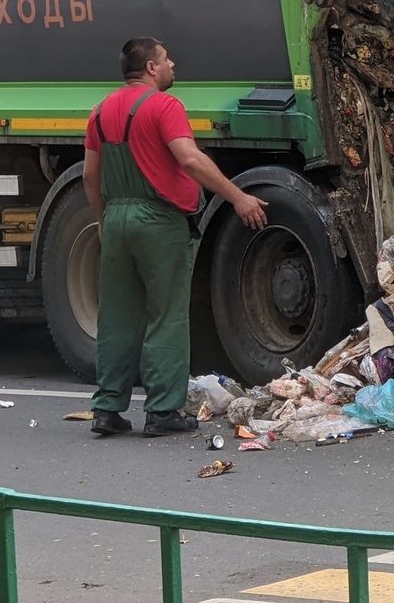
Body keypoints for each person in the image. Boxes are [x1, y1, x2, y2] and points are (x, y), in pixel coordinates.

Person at [81, 37, 269, 436]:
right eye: (166, 59)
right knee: (167, 315)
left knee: (116, 316)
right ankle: (162, 411)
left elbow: (90, 176)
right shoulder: (165, 106)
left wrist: (104, 221)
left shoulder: (100, 112)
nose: (172, 64)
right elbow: (188, 158)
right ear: (151, 67)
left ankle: (107, 409)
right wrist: (237, 197)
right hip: (158, 220)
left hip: (116, 217)